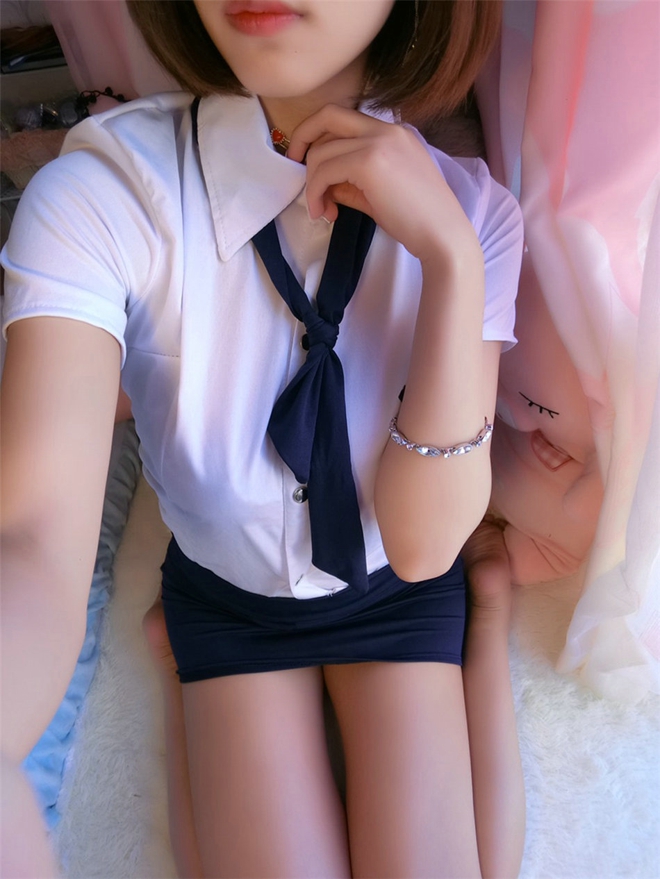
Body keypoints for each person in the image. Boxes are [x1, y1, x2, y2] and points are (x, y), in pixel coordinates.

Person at [0, 2, 525, 876]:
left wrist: (451, 258)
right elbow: (29, 533)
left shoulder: (476, 213)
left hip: (393, 587)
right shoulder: (104, 193)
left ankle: (486, 621)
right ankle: (182, 663)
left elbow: (425, 546)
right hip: (232, 599)